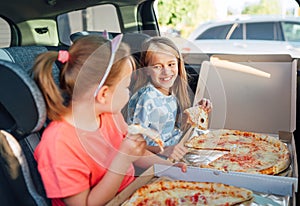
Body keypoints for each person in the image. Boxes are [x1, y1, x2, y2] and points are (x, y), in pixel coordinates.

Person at [33, 35, 186, 206]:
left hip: (133, 193)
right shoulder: (58, 144)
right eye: (127, 86)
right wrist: (122, 159)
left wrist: (167, 166)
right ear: (104, 95)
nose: (129, 93)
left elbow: (137, 152)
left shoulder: (110, 116)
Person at [127, 36, 212, 162]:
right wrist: (165, 149)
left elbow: (170, 125)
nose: (166, 72)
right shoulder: (147, 98)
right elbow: (134, 142)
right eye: (157, 66)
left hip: (176, 150)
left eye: (171, 64)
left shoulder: (170, 92)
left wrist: (197, 111)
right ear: (146, 70)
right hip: (158, 160)